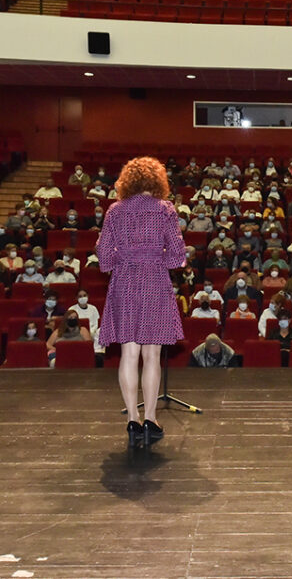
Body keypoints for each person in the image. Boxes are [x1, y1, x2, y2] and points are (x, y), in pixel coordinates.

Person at [96, 156, 185, 449]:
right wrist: (155, 257)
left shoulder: (114, 211)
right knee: (152, 355)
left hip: (124, 283)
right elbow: (176, 255)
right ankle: (150, 418)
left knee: (129, 355)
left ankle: (132, 419)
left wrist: (125, 259)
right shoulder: (165, 209)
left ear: (127, 182)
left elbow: (104, 258)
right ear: (158, 181)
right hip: (155, 282)